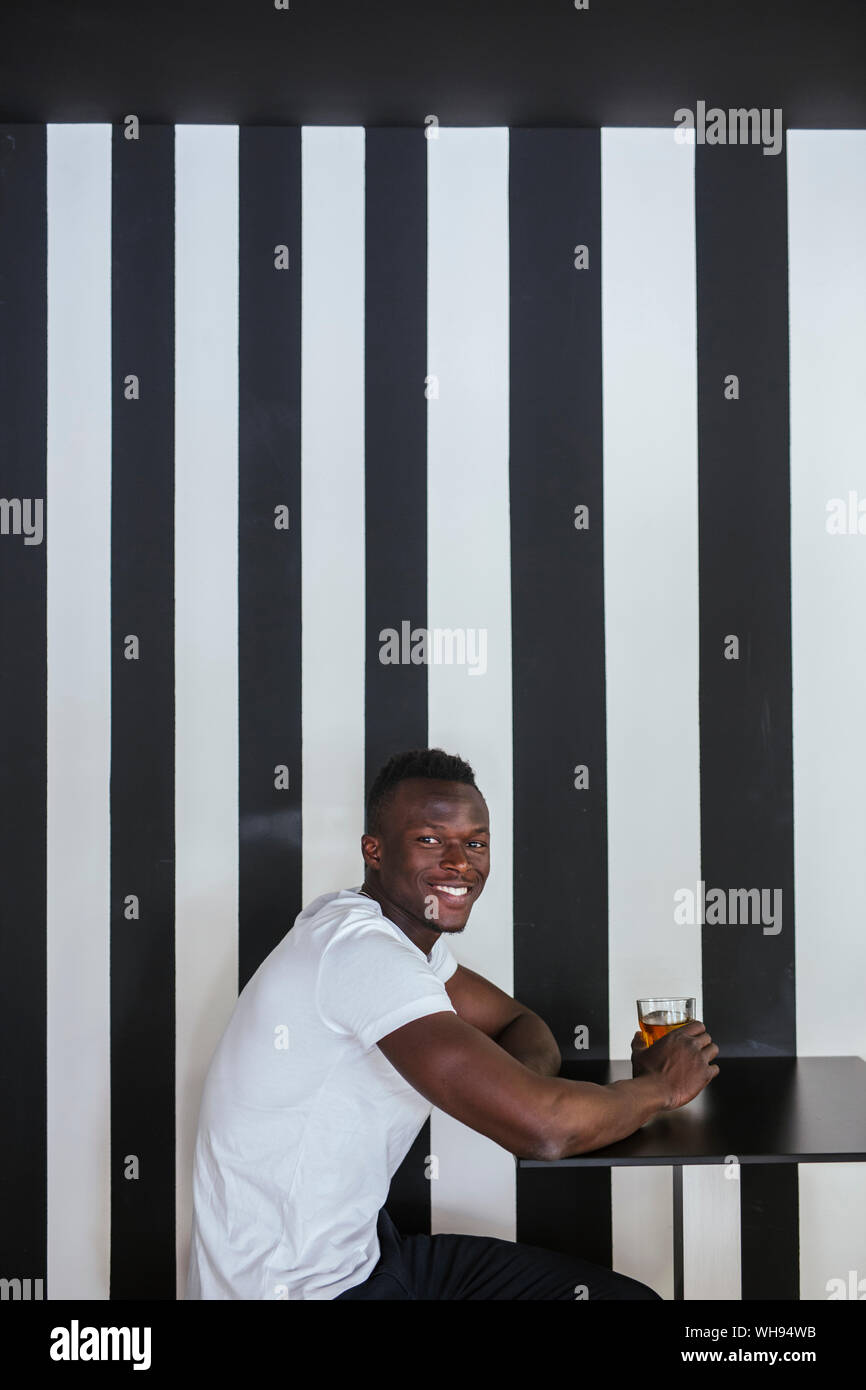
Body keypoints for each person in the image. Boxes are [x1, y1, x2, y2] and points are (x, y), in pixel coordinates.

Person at [185, 747, 719, 1300]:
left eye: (475, 842)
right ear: (374, 851)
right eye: (430, 840)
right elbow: (547, 1130)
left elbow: (518, 1021)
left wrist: (519, 1090)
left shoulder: (398, 942)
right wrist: (660, 1088)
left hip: (367, 1257)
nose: (460, 862)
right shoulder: (358, 951)